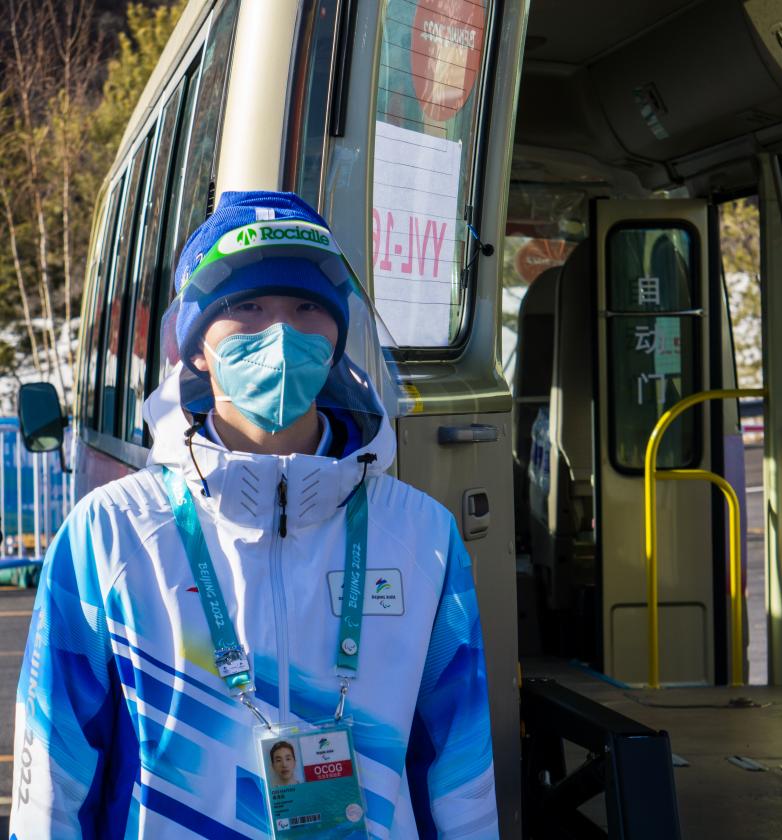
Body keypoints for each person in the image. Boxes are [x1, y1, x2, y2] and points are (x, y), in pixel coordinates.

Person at [10, 191, 499, 838]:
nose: (281, 334)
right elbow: (53, 776)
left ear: (336, 339)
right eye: (247, 307)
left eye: (307, 308)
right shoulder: (110, 533)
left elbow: (463, 777)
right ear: (196, 346)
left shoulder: (422, 534)